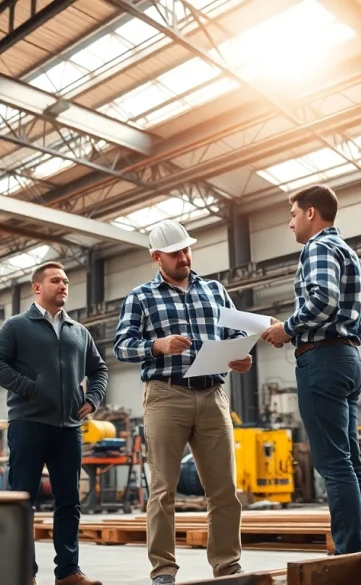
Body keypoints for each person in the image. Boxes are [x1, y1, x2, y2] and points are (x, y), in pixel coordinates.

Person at [112, 219, 252, 585]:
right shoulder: (140, 297)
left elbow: (237, 331)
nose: (184, 257)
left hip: (213, 394)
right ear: (157, 257)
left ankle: (227, 566)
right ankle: (163, 570)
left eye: (187, 250)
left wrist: (241, 355)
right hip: (165, 395)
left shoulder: (215, 290)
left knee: (224, 489)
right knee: (163, 490)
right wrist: (156, 345)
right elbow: (121, 346)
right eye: (175, 253)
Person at [260, 184, 361, 555]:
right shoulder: (349, 252)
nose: (290, 223)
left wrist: (288, 329)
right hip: (349, 358)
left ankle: (349, 556)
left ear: (310, 212)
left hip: (322, 361)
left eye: (293, 215)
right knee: (351, 463)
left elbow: (323, 299)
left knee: (334, 465)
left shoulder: (318, 247)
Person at [0, 261, 108, 585]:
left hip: (69, 429)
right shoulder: (16, 326)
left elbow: (99, 369)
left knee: (69, 502)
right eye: (55, 280)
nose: (63, 285)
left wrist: (93, 398)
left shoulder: (78, 332)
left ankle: (68, 572)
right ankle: (23, 572)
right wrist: (31, 388)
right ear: (37, 287)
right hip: (29, 424)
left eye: (65, 280)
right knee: (23, 501)